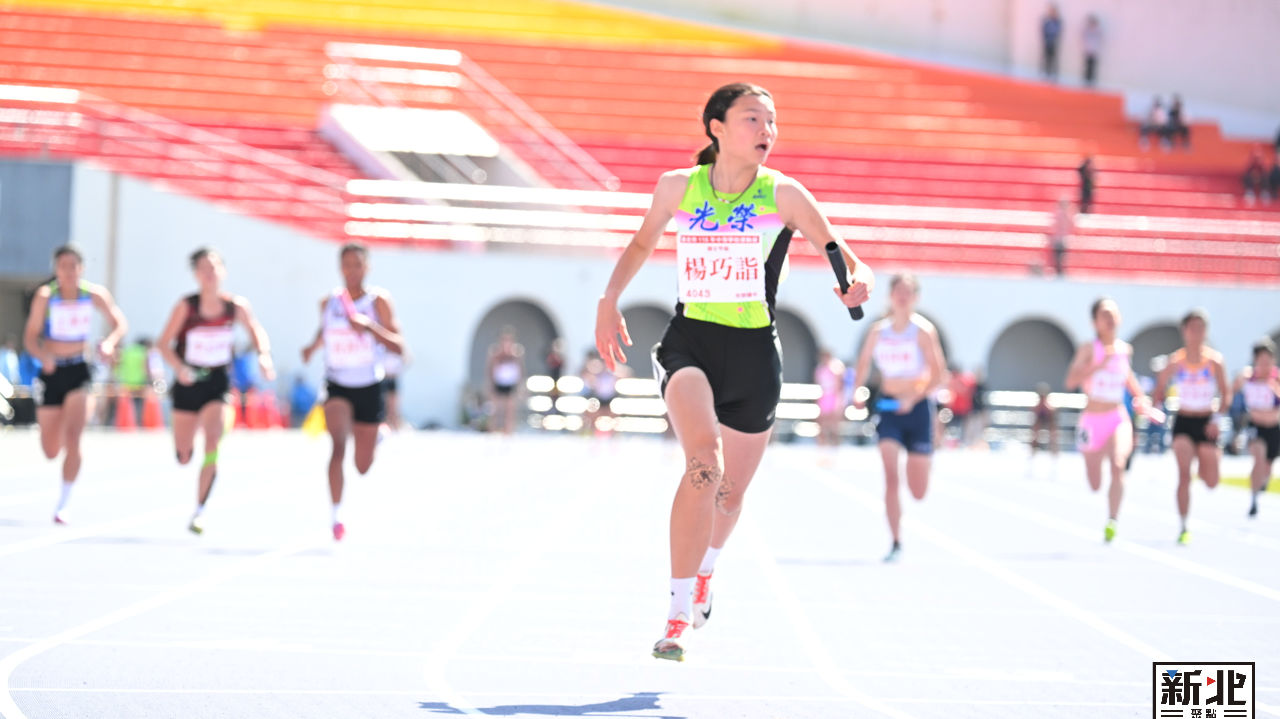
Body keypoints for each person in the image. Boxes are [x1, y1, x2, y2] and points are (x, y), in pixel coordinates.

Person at [594, 82, 872, 662]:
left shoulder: (785, 194)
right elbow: (642, 243)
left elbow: (844, 254)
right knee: (703, 464)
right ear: (716, 127)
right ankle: (676, 616)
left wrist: (857, 280)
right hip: (690, 342)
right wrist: (608, 299)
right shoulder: (679, 187)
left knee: (729, 494)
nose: (766, 130)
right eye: (752, 119)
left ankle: (706, 572)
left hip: (753, 356)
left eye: (772, 121)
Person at [157, 248, 273, 534]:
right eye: (203, 268)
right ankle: (184, 450)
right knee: (184, 455)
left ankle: (199, 510)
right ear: (196, 274)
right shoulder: (187, 306)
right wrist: (179, 368)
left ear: (223, 271)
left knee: (213, 441)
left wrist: (263, 356)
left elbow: (256, 330)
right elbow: (163, 344)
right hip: (188, 383)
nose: (210, 273)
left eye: (214, 267)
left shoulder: (235, 306)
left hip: (218, 383)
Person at [302, 242, 403, 541]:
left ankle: (378, 435)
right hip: (337, 383)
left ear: (367, 267)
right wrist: (311, 348)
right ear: (340, 268)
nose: (352, 270)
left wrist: (369, 327)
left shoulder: (378, 301)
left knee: (362, 466)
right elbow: (323, 333)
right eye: (347, 264)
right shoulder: (329, 302)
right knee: (337, 446)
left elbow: (398, 345)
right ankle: (336, 514)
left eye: (358, 264)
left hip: (369, 385)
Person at [21, 245, 128, 524]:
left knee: (74, 437)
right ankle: (56, 433)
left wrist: (109, 343)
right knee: (50, 450)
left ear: (82, 268)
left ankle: (63, 503)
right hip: (52, 371)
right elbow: (30, 337)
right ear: (55, 269)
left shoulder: (93, 294)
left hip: (80, 370)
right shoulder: (46, 297)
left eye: (73, 266)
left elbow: (119, 323)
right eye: (62, 266)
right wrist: (43, 356)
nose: (68, 272)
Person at [852, 273, 947, 562]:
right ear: (890, 296)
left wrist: (913, 398)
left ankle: (923, 463)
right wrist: (857, 392)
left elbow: (939, 375)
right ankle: (895, 541)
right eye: (898, 291)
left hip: (917, 410)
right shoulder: (878, 332)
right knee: (891, 477)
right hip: (889, 409)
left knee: (917, 491)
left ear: (916, 297)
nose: (903, 297)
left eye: (908, 292)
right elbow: (863, 364)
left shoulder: (923, 331)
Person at [1064, 298, 1155, 543]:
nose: (1110, 318)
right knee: (1094, 483)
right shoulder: (1088, 349)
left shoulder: (1124, 350)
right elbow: (1070, 381)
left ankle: (1112, 520)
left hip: (1117, 416)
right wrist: (1099, 364)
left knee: (1118, 463)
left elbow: (1128, 379)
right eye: (1104, 314)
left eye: (1113, 313)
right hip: (1092, 420)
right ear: (1095, 322)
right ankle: (1096, 458)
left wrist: (1142, 400)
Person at [1153, 310, 1228, 544]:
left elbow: (1226, 394)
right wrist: (1155, 408)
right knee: (1184, 475)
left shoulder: (1214, 361)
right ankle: (1184, 525)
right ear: (1184, 331)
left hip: (1206, 423)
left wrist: (1217, 420)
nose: (1197, 332)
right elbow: (1159, 390)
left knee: (1211, 482)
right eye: (1192, 327)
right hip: (1184, 421)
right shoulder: (1176, 361)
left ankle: (1206, 460)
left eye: (1201, 328)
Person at [1234, 338, 1279, 517]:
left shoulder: (1277, 379)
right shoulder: (1247, 378)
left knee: (1267, 467)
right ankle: (1253, 500)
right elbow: (1230, 393)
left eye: (1268, 360)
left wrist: (1273, 387)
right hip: (1255, 427)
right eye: (1261, 360)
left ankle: (1263, 482)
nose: (1265, 364)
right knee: (1258, 458)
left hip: (1273, 428)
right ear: (1255, 360)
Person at [485, 327, 524, 434]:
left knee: (510, 410)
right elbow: (490, 368)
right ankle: (492, 432)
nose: (506, 342)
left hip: (510, 383)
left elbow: (520, 369)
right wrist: (490, 384)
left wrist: (520, 386)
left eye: (508, 339)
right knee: (495, 410)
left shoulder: (516, 353)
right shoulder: (495, 352)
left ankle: (508, 432)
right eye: (504, 339)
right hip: (498, 382)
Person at [814, 349, 845, 451]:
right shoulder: (819, 369)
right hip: (824, 396)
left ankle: (835, 445)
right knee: (822, 423)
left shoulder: (835, 368)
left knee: (833, 424)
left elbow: (839, 386)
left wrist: (838, 401)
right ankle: (822, 445)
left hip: (833, 397)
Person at [1030, 382, 1058, 456]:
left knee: (1053, 435)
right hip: (1040, 418)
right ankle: (1033, 451)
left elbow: (1052, 418)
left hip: (1048, 419)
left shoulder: (1048, 406)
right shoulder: (1040, 406)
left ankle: (1054, 452)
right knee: (1034, 434)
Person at [1048, 197, 1073, 276]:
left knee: (1059, 257)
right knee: (1060, 257)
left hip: (1060, 239)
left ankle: (1059, 272)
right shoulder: (1065, 214)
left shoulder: (1060, 214)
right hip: (1061, 239)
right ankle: (1059, 272)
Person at [382, 350, 405, 431]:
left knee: (394, 406)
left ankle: (395, 427)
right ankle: (386, 426)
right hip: (383, 379)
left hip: (393, 378)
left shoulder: (397, 348)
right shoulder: (382, 347)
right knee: (384, 406)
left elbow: (407, 359)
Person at [1041, 4, 1062, 82]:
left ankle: (1054, 74)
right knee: (1046, 58)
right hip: (1047, 41)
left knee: (1054, 58)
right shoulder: (1047, 20)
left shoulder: (1057, 21)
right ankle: (1046, 73)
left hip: (1054, 42)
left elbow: (1058, 31)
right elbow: (1043, 30)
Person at [1082, 14, 1102, 87]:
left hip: (1094, 50)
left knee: (1093, 66)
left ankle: (1092, 80)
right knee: (1087, 66)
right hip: (1087, 50)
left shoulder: (1098, 31)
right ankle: (1086, 79)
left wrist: (1095, 49)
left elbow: (1098, 41)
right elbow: (1084, 39)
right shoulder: (1087, 30)